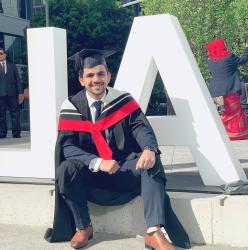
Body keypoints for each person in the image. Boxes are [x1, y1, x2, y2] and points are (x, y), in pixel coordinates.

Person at [44, 49, 190, 250]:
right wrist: (98, 162)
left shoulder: (122, 101)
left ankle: (153, 232)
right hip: (92, 175)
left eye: (101, 74)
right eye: (90, 75)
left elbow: (140, 127)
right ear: (81, 79)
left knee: (152, 161)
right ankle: (83, 227)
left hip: (124, 169)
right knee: (66, 169)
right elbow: (67, 147)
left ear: (108, 76)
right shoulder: (71, 106)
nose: (97, 79)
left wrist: (149, 148)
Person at [206, 39, 248, 140]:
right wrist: (247, 49)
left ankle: (221, 134)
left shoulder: (210, 61)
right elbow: (243, 60)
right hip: (230, 89)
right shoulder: (229, 56)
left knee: (222, 112)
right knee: (234, 112)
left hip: (215, 91)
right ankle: (235, 134)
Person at [0, 48, 23, 138]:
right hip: (0, 95)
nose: (0, 55)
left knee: (15, 113)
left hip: (12, 94)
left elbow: (18, 80)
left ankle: (16, 133)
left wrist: (20, 92)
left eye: (1, 53)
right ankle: (2, 133)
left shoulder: (12, 66)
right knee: (1, 115)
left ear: (5, 55)